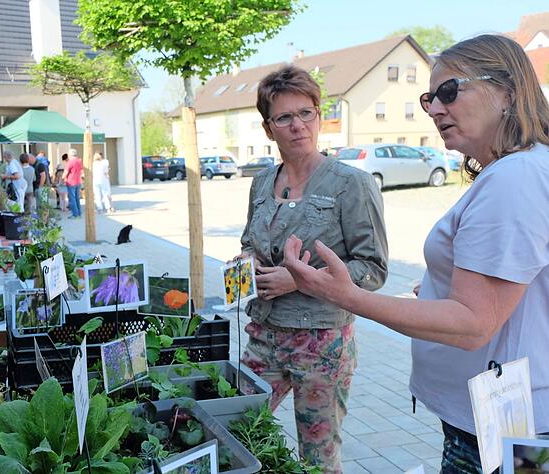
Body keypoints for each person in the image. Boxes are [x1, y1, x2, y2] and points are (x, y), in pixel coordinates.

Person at [282, 35, 549, 473]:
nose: (435, 109)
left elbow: (472, 324)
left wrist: (347, 296)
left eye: (449, 91)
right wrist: (442, 286)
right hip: (502, 423)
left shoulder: (514, 179)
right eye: (429, 98)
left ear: (508, 90)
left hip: (503, 430)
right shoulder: (521, 170)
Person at [233, 65, 388, 472]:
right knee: (234, 425)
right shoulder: (262, 182)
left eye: (306, 113)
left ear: (319, 116)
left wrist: (300, 280)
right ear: (269, 129)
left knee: (317, 457)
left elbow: (372, 269)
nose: (298, 125)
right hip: (264, 335)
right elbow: (251, 241)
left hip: (322, 344)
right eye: (284, 117)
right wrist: (246, 260)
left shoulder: (350, 184)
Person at [64, 148, 83, 218]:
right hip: (78, 181)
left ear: (70, 155)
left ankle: (75, 214)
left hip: (71, 182)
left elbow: (66, 172)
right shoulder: (79, 160)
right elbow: (81, 171)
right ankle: (79, 213)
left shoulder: (70, 162)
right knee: (77, 198)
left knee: (72, 199)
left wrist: (63, 178)